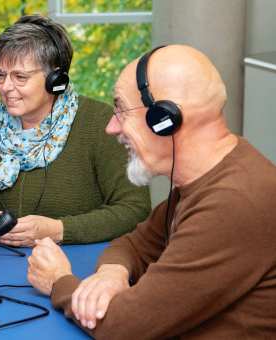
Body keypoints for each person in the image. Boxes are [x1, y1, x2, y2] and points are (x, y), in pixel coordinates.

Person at [27, 45, 276, 338]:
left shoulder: (233, 203)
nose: (111, 126)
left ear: (164, 119)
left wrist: (59, 281)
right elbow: (134, 244)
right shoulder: (210, 178)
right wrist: (112, 274)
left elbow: (124, 327)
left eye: (121, 109)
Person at [0, 15, 150, 246]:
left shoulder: (100, 123)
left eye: (20, 77)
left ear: (55, 80)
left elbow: (134, 209)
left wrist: (59, 230)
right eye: (0, 74)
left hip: (74, 269)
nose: (6, 87)